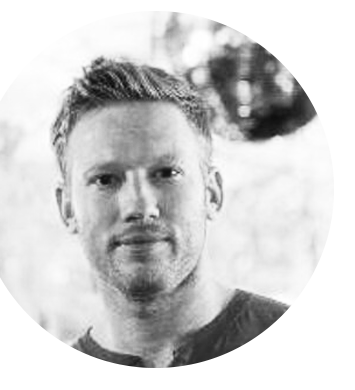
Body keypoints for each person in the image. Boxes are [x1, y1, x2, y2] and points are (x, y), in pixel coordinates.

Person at [46, 57, 333, 368]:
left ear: (212, 193)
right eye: (105, 179)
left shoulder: (326, 358)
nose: (140, 206)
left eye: (167, 173)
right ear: (67, 208)